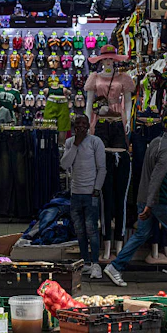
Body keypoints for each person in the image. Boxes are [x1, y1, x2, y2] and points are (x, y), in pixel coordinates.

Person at [105, 117, 167, 287]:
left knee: (142, 234)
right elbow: (158, 178)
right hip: (158, 201)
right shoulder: (166, 149)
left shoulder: (157, 142)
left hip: (147, 198)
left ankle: (114, 266)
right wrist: (151, 204)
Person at [60, 114, 106, 278]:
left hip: (91, 194)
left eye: (83, 123)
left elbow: (102, 168)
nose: (80, 126)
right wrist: (76, 145)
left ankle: (95, 264)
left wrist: (96, 189)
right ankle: (85, 262)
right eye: (77, 123)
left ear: (88, 126)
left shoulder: (95, 142)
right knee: (79, 230)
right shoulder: (69, 143)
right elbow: (64, 164)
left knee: (91, 229)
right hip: (76, 193)